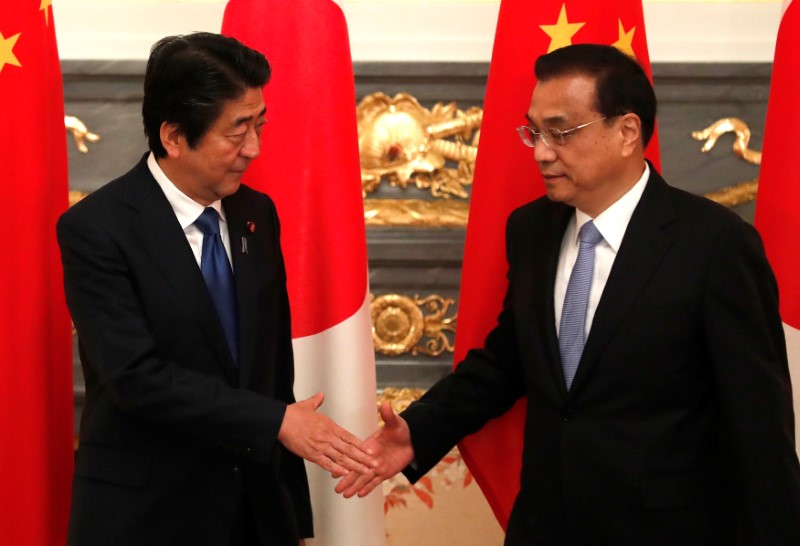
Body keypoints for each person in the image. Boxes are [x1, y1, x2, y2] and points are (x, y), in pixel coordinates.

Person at [337, 43, 800, 544]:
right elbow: (509, 359)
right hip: (546, 525)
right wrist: (420, 430)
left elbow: (758, 424)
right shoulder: (532, 229)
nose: (540, 151)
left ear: (626, 132)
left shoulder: (714, 243)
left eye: (560, 132)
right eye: (534, 131)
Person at [57, 32, 374, 546]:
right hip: (147, 517)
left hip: (253, 516)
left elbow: (274, 374)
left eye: (260, 125)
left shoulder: (257, 215)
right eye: (238, 131)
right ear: (174, 136)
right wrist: (275, 422)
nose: (254, 148)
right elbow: (136, 377)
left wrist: (291, 518)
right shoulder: (98, 229)